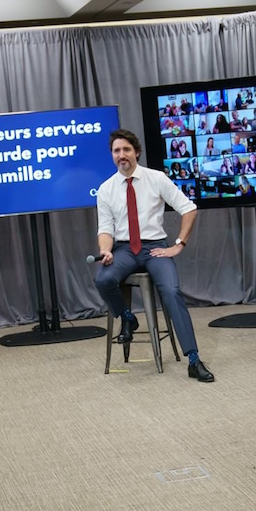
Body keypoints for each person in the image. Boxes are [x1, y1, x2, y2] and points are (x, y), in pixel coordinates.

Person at [94, 129, 214, 382]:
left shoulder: (156, 178)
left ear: (136, 152)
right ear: (112, 156)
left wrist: (179, 244)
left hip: (155, 247)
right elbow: (105, 229)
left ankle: (193, 359)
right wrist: (105, 250)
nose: (122, 155)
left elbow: (189, 209)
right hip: (124, 249)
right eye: (117, 151)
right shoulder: (105, 189)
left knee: (171, 291)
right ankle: (127, 318)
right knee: (103, 280)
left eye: (126, 149)